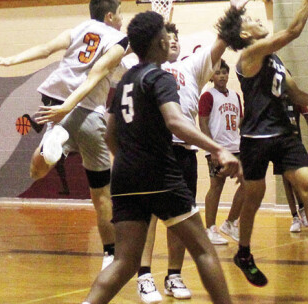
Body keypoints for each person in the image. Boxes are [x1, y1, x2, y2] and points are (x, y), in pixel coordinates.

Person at [81, 11, 240, 304]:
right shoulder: (160, 77)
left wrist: (129, 160)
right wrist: (218, 148)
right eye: (166, 37)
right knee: (204, 250)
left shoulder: (126, 79)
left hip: (124, 177)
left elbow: (109, 135)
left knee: (124, 262)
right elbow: (176, 122)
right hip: (159, 173)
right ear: (161, 42)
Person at [215, 0, 308, 286]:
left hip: (285, 135)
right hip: (256, 138)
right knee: (253, 199)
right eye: (251, 20)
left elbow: (294, 93)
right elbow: (293, 31)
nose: (258, 20)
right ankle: (243, 253)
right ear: (244, 35)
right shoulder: (251, 53)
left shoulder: (274, 59)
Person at [0, 0, 128, 269]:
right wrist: (70, 106)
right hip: (87, 110)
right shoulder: (120, 40)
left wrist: (7, 60)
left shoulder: (78, 30)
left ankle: (52, 143)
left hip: (55, 102)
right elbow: (95, 75)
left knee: (36, 172)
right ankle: (110, 254)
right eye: (120, 13)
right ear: (109, 16)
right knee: (101, 194)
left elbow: (45, 50)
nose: (123, 19)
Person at [135, 0, 249, 301]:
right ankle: (144, 276)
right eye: (166, 37)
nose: (172, 41)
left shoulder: (190, 67)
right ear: (157, 43)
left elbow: (220, 43)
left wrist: (234, 11)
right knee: (149, 216)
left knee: (180, 218)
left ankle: (173, 275)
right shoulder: (146, 68)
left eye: (176, 38)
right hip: (156, 149)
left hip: (184, 152)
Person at [198, 59, 243, 244]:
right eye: (218, 72)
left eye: (224, 72)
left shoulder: (235, 95)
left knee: (249, 181)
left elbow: (240, 120)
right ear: (211, 76)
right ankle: (210, 228)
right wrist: (213, 149)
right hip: (218, 148)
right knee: (217, 186)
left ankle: (230, 222)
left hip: (237, 146)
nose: (222, 75)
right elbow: (202, 123)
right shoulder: (208, 96)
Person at [277, 98, 308, 233]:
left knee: (297, 180)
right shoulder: (273, 99)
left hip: (295, 143)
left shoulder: (296, 99)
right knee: (286, 181)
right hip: (279, 144)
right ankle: (295, 217)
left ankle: (302, 209)